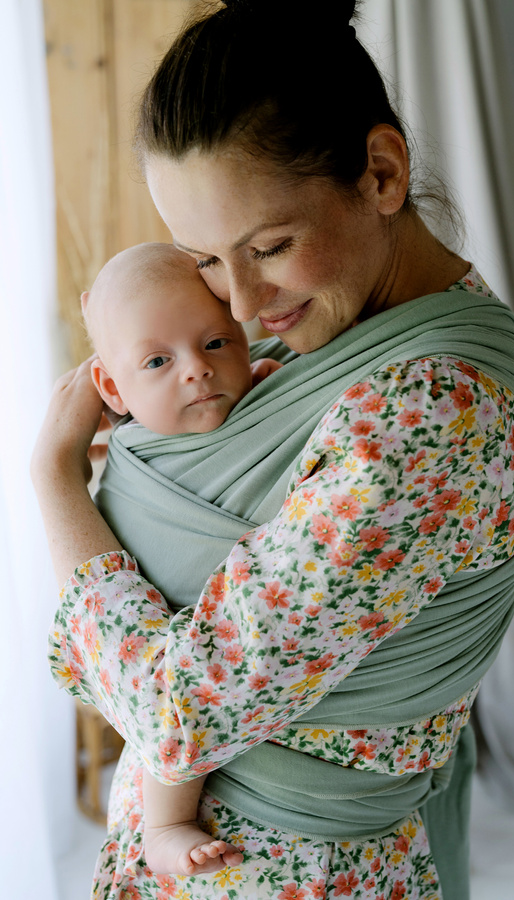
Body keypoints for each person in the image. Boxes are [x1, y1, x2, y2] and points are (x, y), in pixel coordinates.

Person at [32, 2, 514, 898]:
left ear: (382, 172)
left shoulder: (435, 414)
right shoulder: (307, 333)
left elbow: (175, 714)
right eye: (203, 259)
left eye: (268, 247)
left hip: (285, 873)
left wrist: (55, 485)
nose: (235, 306)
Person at [83, 240, 284, 875]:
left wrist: (268, 396)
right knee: (167, 726)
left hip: (252, 637)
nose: (195, 369)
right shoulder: (134, 451)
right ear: (114, 387)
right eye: (157, 361)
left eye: (217, 343)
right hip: (174, 637)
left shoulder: (263, 396)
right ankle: (167, 824)